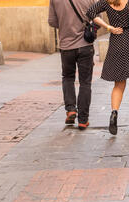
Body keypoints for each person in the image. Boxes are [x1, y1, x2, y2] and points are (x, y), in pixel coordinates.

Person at [87, 0, 129, 134]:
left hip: (116, 42)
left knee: (119, 85)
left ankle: (114, 114)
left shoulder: (107, 1)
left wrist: (108, 27)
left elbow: (90, 12)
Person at [48, 0, 96, 129]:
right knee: (85, 82)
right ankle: (83, 120)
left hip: (66, 46)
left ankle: (71, 110)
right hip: (85, 45)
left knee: (68, 78)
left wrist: (66, 25)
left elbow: (52, 21)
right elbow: (98, 19)